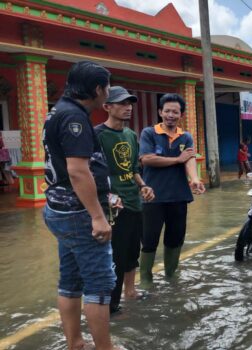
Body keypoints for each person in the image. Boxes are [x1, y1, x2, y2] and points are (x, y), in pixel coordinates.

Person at [42, 61, 118, 350]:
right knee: (99, 285)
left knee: (70, 281)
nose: (108, 94)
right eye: (107, 88)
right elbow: (77, 170)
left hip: (59, 209)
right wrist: (98, 217)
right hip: (78, 214)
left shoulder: (57, 111)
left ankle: (76, 343)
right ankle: (104, 348)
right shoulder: (75, 118)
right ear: (97, 89)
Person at [95, 86, 155, 314]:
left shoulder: (131, 135)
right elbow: (91, 172)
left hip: (133, 201)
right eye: (121, 103)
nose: (127, 108)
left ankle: (130, 291)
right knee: (116, 255)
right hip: (112, 206)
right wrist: (107, 196)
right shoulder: (98, 135)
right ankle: (112, 303)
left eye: (129, 103)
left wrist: (144, 186)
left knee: (132, 250)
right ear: (107, 107)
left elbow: (132, 168)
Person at [138, 93, 205, 283]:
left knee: (175, 239)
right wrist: (177, 159)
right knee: (149, 240)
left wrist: (194, 179)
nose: (170, 115)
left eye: (175, 112)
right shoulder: (149, 133)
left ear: (181, 115)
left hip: (178, 196)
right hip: (152, 197)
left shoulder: (186, 137)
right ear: (160, 112)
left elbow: (190, 158)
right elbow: (147, 159)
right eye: (167, 111)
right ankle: (145, 280)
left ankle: (171, 275)